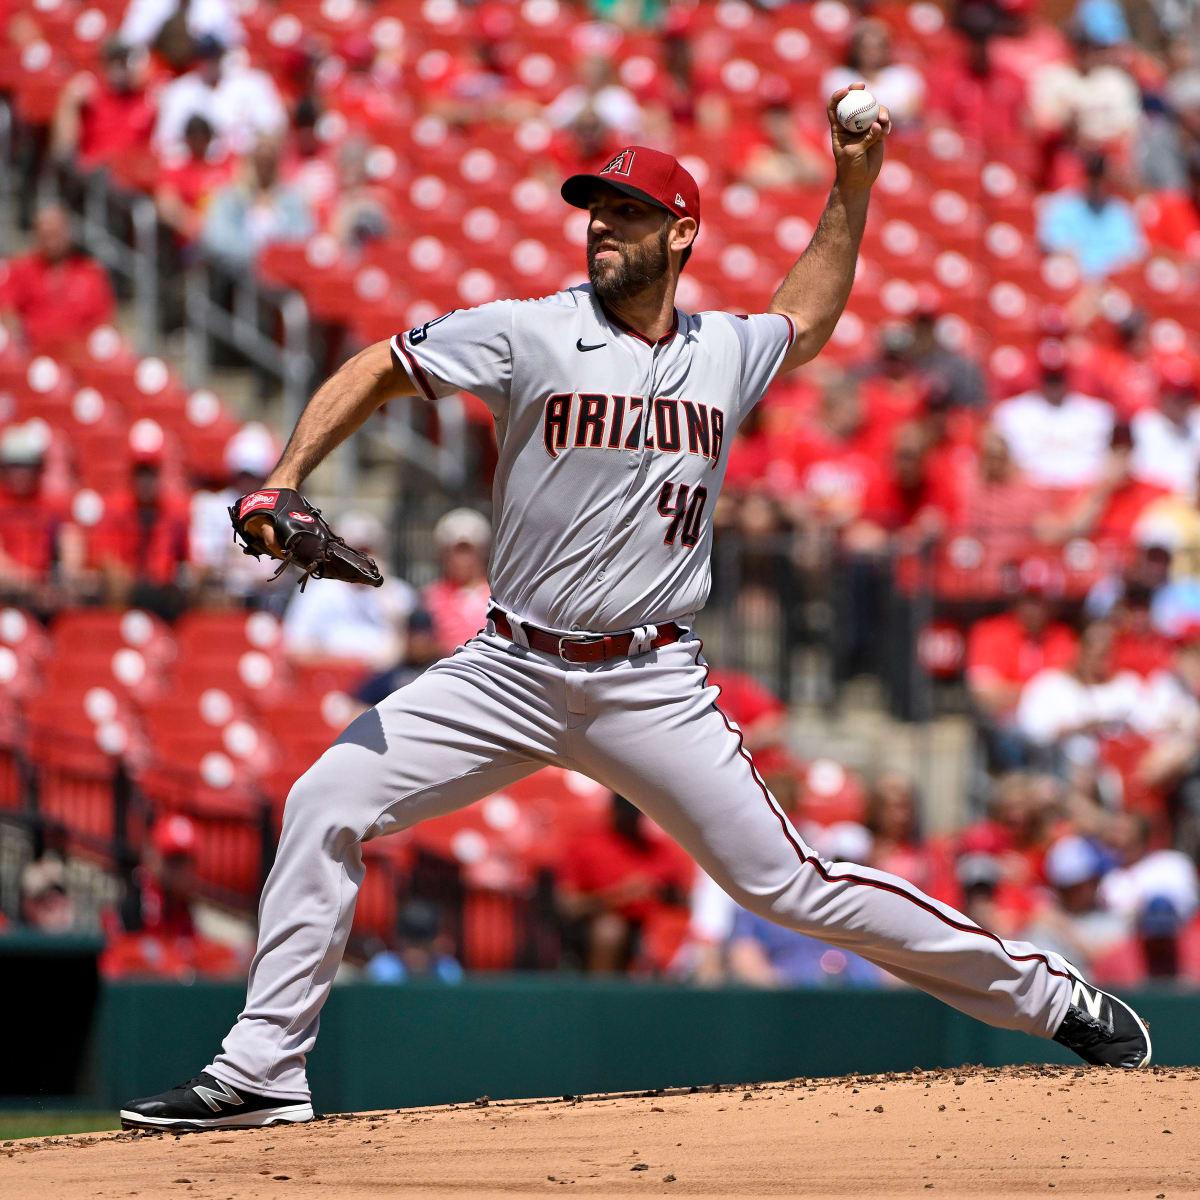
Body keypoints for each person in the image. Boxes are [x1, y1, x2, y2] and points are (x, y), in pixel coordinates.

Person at [122, 90, 1150, 1134]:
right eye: (593, 210)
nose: (602, 225)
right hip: (509, 668)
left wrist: (852, 185)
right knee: (324, 800)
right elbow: (380, 369)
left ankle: (1051, 997)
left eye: (625, 210)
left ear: (681, 233)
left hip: (650, 679)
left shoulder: (723, 350)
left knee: (788, 886)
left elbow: (809, 314)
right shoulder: (529, 332)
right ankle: (261, 1072)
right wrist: (285, 474)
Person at [557, 793, 694, 974]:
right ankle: (603, 996)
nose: (631, 818)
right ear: (614, 811)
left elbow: (686, 901)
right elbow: (568, 905)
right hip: (602, 925)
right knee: (610, 929)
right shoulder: (587, 845)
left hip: (655, 926)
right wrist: (619, 896)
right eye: (626, 812)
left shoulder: (659, 849)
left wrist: (658, 891)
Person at [0, 203, 116, 352]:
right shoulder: (20, 269)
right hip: (32, 353)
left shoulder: (90, 273)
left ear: (68, 233)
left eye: (56, 233)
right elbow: (7, 311)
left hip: (80, 356)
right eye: (46, 234)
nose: (51, 241)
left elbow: (104, 321)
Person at [201, 137, 314, 273]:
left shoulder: (293, 198)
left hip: (283, 273)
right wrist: (256, 255)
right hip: (237, 271)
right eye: (259, 162)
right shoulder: (229, 198)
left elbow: (303, 235)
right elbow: (217, 239)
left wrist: (275, 256)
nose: (263, 169)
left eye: (268, 162)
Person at [1037, 152, 1146, 280]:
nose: (1098, 184)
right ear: (1086, 177)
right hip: (1073, 280)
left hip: (1112, 285)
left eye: (1102, 178)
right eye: (1094, 177)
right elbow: (1051, 242)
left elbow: (1134, 252)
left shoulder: (1122, 211)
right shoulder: (1063, 205)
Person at [421, 508, 492, 656]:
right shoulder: (430, 596)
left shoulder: (496, 595)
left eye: (465, 550)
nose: (458, 559)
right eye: (452, 551)